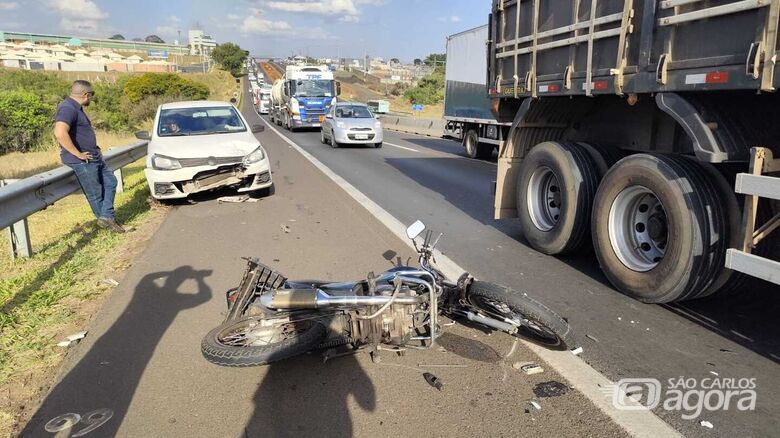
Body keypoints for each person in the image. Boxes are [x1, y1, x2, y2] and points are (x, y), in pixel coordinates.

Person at [53, 80, 126, 233]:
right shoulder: (67, 108)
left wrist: (94, 147)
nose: (91, 99)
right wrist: (77, 153)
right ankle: (109, 224)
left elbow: (79, 134)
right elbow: (60, 133)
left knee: (111, 182)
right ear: (86, 95)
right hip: (82, 161)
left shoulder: (75, 108)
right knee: (96, 193)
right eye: (91, 96)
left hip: (93, 156)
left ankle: (106, 217)